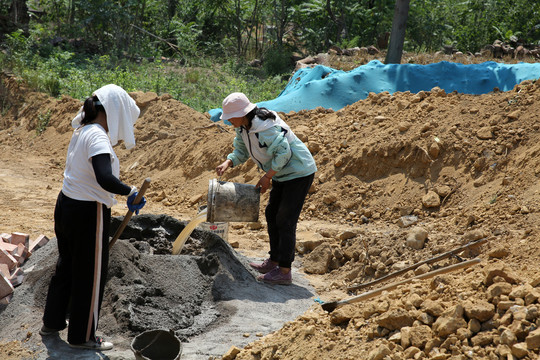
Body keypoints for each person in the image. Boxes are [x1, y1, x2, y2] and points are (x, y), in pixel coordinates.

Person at [40, 84, 146, 350]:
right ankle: (82, 337)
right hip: (88, 211)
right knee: (90, 275)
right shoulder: (98, 136)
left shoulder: (82, 130)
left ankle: (51, 323)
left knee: (66, 266)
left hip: (66, 204)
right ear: (112, 112)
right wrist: (130, 191)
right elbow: (104, 177)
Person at [216, 92, 316, 285]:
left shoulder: (266, 128)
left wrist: (267, 177)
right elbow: (241, 149)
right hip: (281, 173)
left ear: (242, 113)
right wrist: (229, 162)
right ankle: (275, 260)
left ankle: (284, 271)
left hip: (298, 172)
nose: (228, 122)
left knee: (285, 219)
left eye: (230, 118)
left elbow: (284, 153)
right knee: (272, 214)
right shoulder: (244, 127)